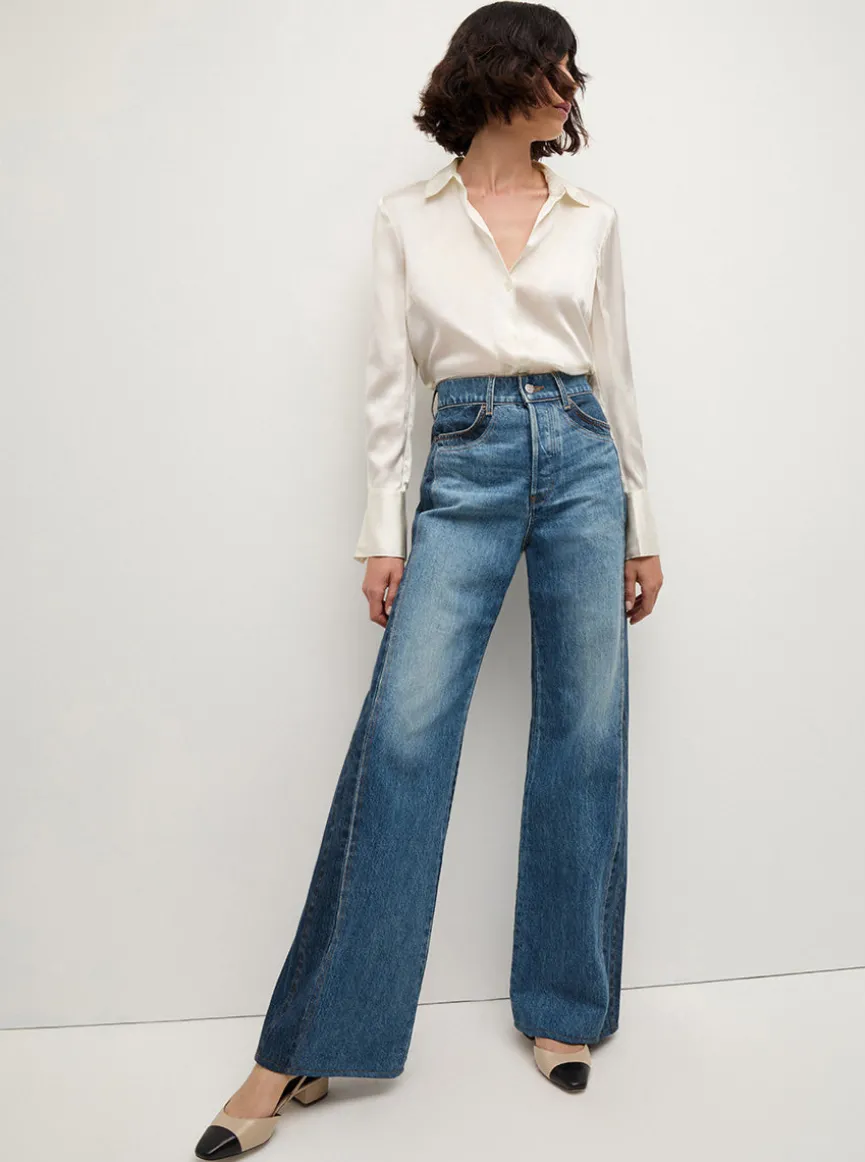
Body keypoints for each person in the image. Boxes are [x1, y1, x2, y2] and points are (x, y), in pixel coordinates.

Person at [194, 3, 663, 1155]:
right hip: (466, 455)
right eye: (552, 69)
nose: (569, 89)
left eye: (572, 74)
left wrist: (640, 521)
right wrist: (381, 530)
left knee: (584, 732)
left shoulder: (591, 219)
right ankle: (307, 1042)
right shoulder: (407, 217)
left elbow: (615, 373)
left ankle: (563, 1006)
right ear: (499, 75)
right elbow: (383, 383)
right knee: (402, 738)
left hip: (580, 455)